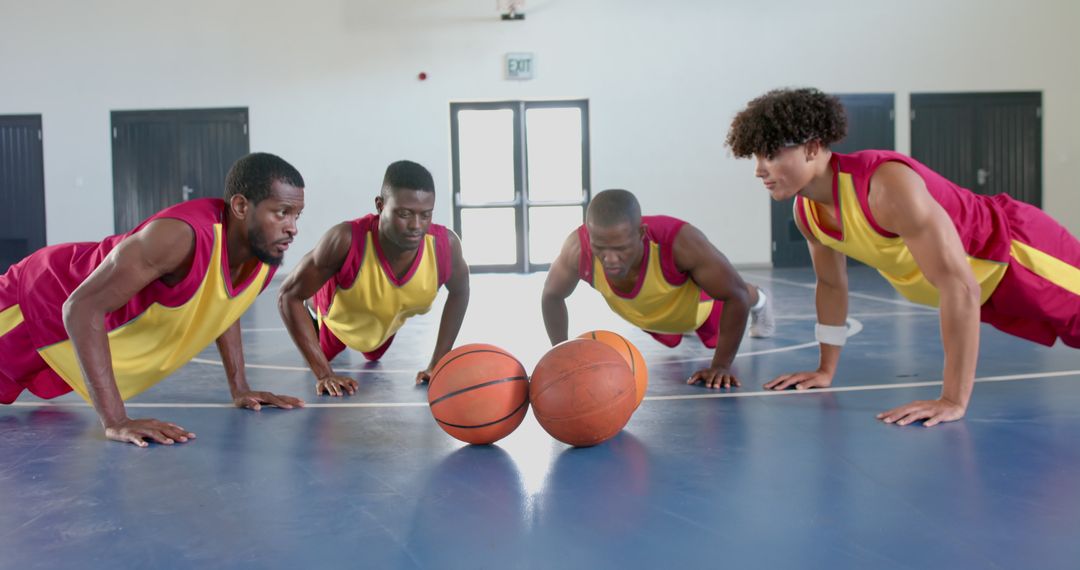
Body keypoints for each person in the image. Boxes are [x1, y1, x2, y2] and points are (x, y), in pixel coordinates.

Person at [726, 87, 1080, 427]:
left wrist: (952, 400)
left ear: (812, 148)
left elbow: (959, 287)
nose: (759, 169)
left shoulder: (884, 186)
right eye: (755, 157)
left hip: (1019, 254)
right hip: (988, 290)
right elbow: (832, 285)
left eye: (770, 155)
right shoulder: (808, 213)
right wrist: (825, 369)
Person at [0, 152, 307, 446]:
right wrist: (116, 419)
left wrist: (240, 387)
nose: (292, 228)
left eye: (296, 215)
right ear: (241, 206)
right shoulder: (179, 237)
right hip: (37, 301)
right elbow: (80, 307)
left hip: (70, 336)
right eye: (281, 212)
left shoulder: (263, 255)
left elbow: (225, 304)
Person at [542, 189, 775, 389]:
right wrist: (562, 354)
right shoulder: (577, 248)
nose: (610, 258)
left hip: (697, 307)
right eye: (600, 247)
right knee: (675, 320)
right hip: (649, 313)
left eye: (620, 248)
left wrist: (721, 366)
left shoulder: (679, 242)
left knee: (733, 290)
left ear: (641, 234)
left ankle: (761, 300)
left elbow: (736, 296)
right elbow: (551, 296)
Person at [278, 160, 469, 397]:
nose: (416, 225)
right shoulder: (345, 239)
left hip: (382, 326)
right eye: (404, 213)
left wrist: (437, 363)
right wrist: (324, 374)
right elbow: (288, 295)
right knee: (322, 346)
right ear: (380, 205)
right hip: (337, 320)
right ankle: (314, 307)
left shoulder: (445, 246)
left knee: (372, 353)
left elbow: (461, 291)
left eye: (425, 215)